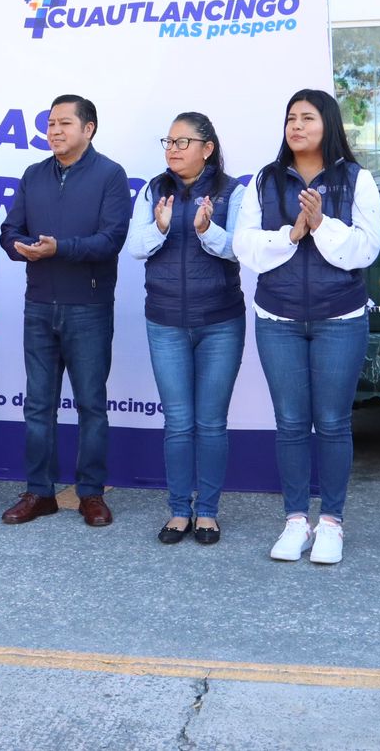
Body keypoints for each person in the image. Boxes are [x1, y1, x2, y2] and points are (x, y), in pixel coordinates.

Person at [233, 89, 380, 565]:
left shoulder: (356, 180)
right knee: (292, 423)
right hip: (278, 317)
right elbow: (246, 248)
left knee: (334, 423)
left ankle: (332, 523)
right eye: (290, 118)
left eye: (308, 118)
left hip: (340, 316)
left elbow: (365, 250)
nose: (296, 126)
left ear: (329, 124)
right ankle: (296, 520)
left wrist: (321, 225)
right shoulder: (265, 180)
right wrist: (292, 234)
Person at [0, 95, 131, 529]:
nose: (54, 131)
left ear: (88, 129)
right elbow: (9, 230)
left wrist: (61, 249)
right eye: (50, 124)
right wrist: (19, 248)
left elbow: (111, 240)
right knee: (38, 405)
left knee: (91, 404)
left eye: (64, 123)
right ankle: (40, 493)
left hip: (88, 307)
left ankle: (90, 493)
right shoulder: (34, 174)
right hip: (38, 304)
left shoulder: (110, 175)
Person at [126, 113, 245, 546]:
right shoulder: (153, 190)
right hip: (166, 322)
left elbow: (241, 251)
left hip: (220, 322)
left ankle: (208, 512)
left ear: (207, 148)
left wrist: (207, 229)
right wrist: (160, 227)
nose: (173, 149)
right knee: (177, 422)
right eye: (169, 141)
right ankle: (179, 511)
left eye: (183, 141)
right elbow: (135, 247)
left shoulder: (235, 192)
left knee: (211, 422)